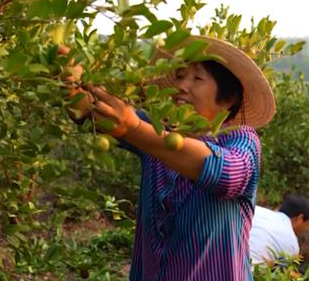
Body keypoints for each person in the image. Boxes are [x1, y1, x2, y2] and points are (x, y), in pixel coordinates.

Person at [60, 35, 276, 280]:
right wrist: (72, 80)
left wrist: (133, 129)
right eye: (180, 76)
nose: (183, 86)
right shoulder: (157, 131)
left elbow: (226, 174)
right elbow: (94, 110)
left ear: (227, 99)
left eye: (198, 78)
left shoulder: (242, 141)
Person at [248, 194, 309, 265]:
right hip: (245, 271)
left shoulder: (257, 210)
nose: (305, 228)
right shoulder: (292, 244)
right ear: (300, 218)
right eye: (307, 224)